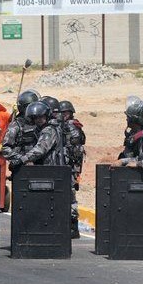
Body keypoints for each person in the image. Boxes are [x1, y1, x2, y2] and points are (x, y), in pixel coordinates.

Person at [57, 100, 86, 238]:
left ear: (70, 113)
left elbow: (75, 151)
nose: (62, 115)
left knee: (70, 197)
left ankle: (73, 227)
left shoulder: (72, 127)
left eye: (64, 113)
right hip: (65, 166)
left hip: (70, 167)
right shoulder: (62, 126)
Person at [9, 101, 62, 169]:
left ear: (46, 116)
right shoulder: (38, 130)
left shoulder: (49, 130)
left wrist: (21, 160)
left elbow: (40, 149)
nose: (38, 120)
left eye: (41, 117)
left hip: (51, 171)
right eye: (35, 117)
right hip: (46, 170)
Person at [2, 89, 41, 163]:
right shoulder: (16, 125)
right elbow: (6, 149)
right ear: (22, 108)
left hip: (40, 166)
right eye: (28, 107)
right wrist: (22, 159)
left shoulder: (40, 123)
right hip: (22, 166)